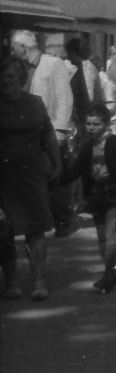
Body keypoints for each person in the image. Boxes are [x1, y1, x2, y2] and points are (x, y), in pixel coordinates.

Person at [59, 104, 116, 294]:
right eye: (88, 124)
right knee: (101, 237)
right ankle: (111, 271)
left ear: (106, 124)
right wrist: (57, 181)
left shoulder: (115, 142)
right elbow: (78, 168)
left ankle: (107, 273)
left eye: (96, 124)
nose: (91, 128)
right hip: (96, 194)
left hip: (112, 191)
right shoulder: (87, 146)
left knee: (110, 234)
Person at [0, 57, 61, 301]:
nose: (5, 81)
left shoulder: (35, 103)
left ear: (21, 79)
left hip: (31, 175)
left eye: (10, 76)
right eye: (2, 76)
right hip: (3, 176)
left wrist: (57, 163)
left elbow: (48, 134)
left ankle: (38, 281)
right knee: (3, 230)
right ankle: (11, 281)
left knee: (35, 227)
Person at [11, 30, 76, 238]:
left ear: (24, 47)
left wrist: (59, 130)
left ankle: (63, 219)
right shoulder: (20, 67)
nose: (12, 52)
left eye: (14, 48)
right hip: (29, 132)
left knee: (55, 176)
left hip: (50, 131)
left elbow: (63, 97)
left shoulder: (52, 64)